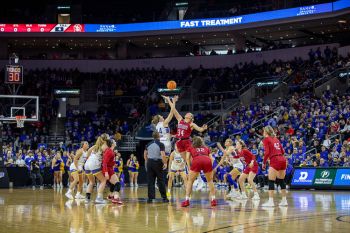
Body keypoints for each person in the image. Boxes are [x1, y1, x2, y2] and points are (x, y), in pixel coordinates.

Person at [167, 96, 208, 161]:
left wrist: (203, 128)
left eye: (190, 114)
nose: (188, 113)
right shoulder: (180, 119)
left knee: (190, 159)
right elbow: (173, 109)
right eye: (188, 113)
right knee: (185, 160)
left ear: (191, 118)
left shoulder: (191, 124)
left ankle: (195, 169)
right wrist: (170, 100)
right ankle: (189, 170)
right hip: (179, 141)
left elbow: (200, 129)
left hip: (186, 141)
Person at [181, 136, 217, 207]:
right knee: (210, 181)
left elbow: (187, 158)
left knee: (190, 181)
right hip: (207, 160)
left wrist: (189, 167)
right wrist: (211, 167)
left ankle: (187, 200)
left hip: (197, 160)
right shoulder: (206, 148)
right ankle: (213, 200)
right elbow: (212, 159)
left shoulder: (190, 147)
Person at [261, 126, 288, 207]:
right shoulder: (276, 139)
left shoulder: (266, 139)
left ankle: (271, 201)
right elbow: (283, 151)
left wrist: (264, 162)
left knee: (271, 181)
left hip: (275, 159)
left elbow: (267, 152)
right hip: (283, 159)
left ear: (265, 132)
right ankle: (284, 201)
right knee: (281, 180)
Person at [144, 131, 168, 203]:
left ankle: (150, 198)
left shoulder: (148, 144)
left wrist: (147, 161)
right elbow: (163, 155)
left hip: (150, 162)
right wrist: (165, 163)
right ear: (159, 136)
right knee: (160, 180)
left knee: (150, 181)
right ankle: (164, 198)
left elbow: (145, 154)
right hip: (158, 163)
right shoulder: (161, 144)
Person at [84, 134, 109, 204]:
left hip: (87, 164)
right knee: (103, 180)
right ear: (106, 139)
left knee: (91, 182)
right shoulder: (105, 146)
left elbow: (88, 151)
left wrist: (87, 158)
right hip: (94, 163)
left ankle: (87, 198)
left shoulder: (96, 145)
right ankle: (99, 198)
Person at [102, 139, 123, 204]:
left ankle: (110, 196)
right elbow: (104, 163)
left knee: (113, 184)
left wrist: (114, 163)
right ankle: (115, 198)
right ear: (112, 144)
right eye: (114, 141)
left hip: (109, 169)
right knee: (118, 184)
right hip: (108, 170)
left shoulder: (111, 151)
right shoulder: (109, 151)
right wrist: (106, 172)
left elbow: (108, 162)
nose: (116, 142)